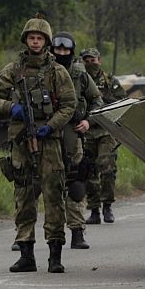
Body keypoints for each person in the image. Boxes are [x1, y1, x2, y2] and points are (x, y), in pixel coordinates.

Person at [0, 18, 77, 273]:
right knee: (24, 196)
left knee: (53, 196)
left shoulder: (57, 71)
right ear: (26, 40)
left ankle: (55, 255)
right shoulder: (13, 70)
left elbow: (69, 105)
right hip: (22, 141)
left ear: (46, 41)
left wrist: (51, 125)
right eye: (31, 38)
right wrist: (12, 108)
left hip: (49, 142)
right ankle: (26, 253)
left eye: (39, 38)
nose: (35, 42)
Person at [51, 31, 102, 251]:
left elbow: (97, 100)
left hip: (72, 133)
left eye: (66, 49)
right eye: (58, 49)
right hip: (48, 134)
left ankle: (77, 231)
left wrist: (88, 121)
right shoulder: (44, 71)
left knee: (75, 183)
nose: (62, 53)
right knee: (44, 185)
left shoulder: (80, 74)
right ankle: (30, 236)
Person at [80, 48, 123, 225]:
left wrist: (102, 104)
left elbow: (121, 102)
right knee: (88, 171)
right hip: (86, 131)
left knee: (107, 167)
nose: (90, 63)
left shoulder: (110, 81)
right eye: (87, 61)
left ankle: (107, 206)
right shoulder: (79, 80)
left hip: (106, 130)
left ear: (99, 60)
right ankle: (94, 209)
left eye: (93, 60)